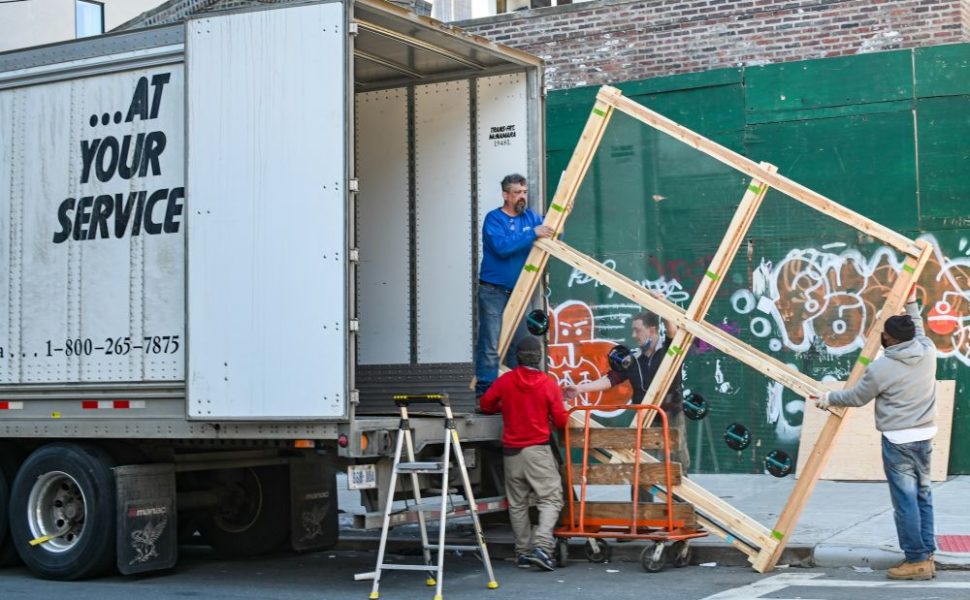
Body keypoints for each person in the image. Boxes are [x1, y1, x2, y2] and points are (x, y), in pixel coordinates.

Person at [812, 288, 937, 581]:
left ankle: (916, 559)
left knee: (905, 502)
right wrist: (912, 304)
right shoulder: (928, 351)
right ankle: (926, 553)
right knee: (923, 495)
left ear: (890, 339)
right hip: (925, 436)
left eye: (885, 335)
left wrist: (828, 398)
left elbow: (856, 397)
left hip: (898, 440)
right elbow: (918, 330)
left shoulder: (881, 368)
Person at [563, 304, 690, 471]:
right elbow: (611, 379)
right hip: (646, 417)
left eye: (637, 330)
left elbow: (672, 332)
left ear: (652, 330)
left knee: (678, 462)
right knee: (642, 464)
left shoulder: (670, 351)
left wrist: (661, 304)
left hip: (671, 415)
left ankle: (681, 488)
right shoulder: (634, 358)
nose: (633, 335)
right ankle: (643, 489)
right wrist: (580, 389)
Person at [479, 335, 567, 571]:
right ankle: (543, 547)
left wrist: (504, 406)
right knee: (551, 498)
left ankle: (523, 553)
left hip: (511, 453)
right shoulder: (548, 384)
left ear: (517, 357)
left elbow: (485, 404)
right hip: (537, 451)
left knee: (517, 504)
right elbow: (561, 420)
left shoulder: (506, 381)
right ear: (539, 357)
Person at [475, 174, 553, 397]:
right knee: (491, 343)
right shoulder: (494, 219)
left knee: (519, 344)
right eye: (517, 192)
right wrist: (532, 233)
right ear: (505, 195)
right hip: (493, 290)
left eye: (524, 192)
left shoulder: (531, 217)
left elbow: (553, 234)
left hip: (520, 290)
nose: (522, 197)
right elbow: (502, 247)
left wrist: (562, 216)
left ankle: (515, 395)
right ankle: (485, 395)